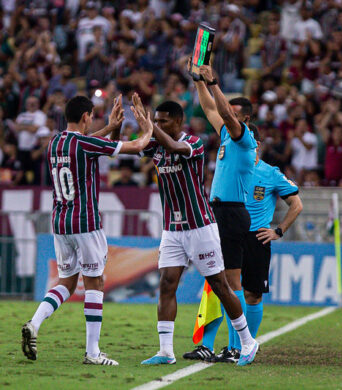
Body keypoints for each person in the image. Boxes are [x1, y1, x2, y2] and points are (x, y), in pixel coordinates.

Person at [21, 95, 152, 366]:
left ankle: (34, 324)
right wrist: (148, 127)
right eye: (91, 117)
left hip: (60, 222)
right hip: (85, 222)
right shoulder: (85, 143)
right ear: (85, 117)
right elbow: (138, 145)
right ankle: (92, 352)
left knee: (66, 282)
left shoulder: (54, 143)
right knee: (95, 283)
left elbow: (87, 142)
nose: (92, 121)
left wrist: (108, 127)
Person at [130, 95, 258, 367]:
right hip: (172, 229)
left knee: (220, 286)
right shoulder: (156, 145)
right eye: (156, 120)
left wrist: (151, 129)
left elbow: (174, 146)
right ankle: (166, 351)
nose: (158, 124)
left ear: (178, 121)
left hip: (200, 226)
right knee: (166, 284)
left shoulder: (194, 144)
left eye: (163, 121)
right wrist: (119, 129)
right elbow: (136, 146)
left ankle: (247, 342)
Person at [185, 125, 303, 361]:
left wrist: (278, 230)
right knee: (220, 288)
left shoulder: (270, 173)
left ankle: (242, 346)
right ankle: (214, 345)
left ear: (254, 145)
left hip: (256, 237)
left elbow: (296, 204)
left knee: (253, 294)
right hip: (228, 232)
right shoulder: (232, 168)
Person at [184, 62, 257, 363]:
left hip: (231, 213)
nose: (228, 113)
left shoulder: (244, 137)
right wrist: (199, 81)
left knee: (230, 282)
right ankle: (224, 344)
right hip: (220, 211)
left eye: (235, 112)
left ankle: (238, 345)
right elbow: (211, 108)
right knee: (220, 281)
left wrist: (214, 81)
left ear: (246, 118)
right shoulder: (228, 135)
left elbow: (224, 111)